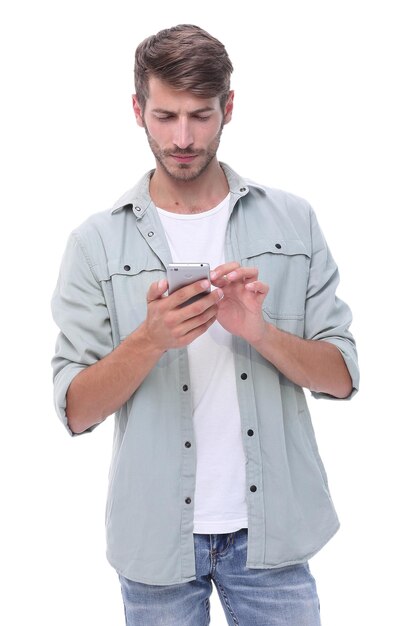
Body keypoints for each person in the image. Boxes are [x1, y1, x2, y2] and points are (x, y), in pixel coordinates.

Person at [51, 24, 359, 626]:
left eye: (201, 115)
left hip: (274, 539)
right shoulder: (94, 243)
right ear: (137, 109)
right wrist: (150, 340)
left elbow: (343, 378)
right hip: (156, 541)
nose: (184, 138)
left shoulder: (293, 222)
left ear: (229, 108)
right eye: (165, 116)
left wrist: (261, 333)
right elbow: (75, 410)